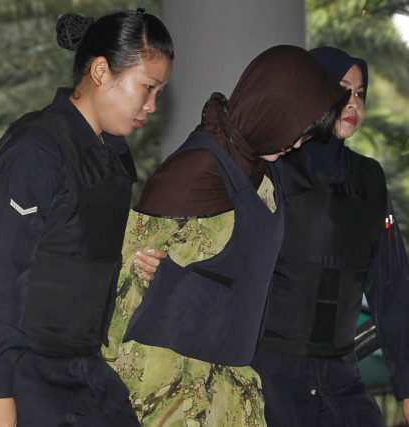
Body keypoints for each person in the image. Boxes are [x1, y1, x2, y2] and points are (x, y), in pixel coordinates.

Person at [103, 45, 350, 425]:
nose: (298, 144)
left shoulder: (264, 173)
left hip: (230, 385)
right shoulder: (194, 171)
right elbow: (122, 288)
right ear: (272, 111)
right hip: (168, 390)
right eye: (297, 131)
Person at [0, 9, 172, 426]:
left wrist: (144, 263)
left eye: (159, 92)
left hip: (84, 369)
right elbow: (0, 271)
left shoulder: (111, 156)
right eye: (147, 87)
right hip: (27, 376)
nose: (153, 105)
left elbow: (81, 251)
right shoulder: (36, 149)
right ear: (101, 71)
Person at [250, 46, 409, 427]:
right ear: (310, 90)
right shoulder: (272, 167)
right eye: (342, 88)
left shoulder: (369, 179)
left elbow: (392, 286)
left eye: (360, 93)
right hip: (271, 376)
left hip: (341, 377)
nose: (354, 102)